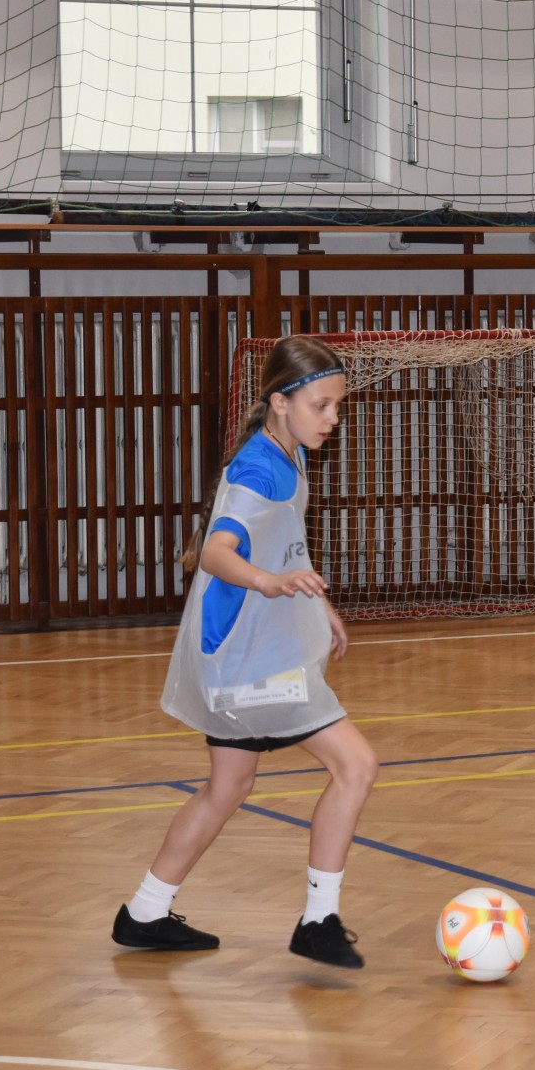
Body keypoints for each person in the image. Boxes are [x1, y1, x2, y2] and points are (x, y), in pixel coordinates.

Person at [115, 336, 379, 968]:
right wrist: (269, 583)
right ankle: (318, 921)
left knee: (227, 787)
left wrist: (317, 603)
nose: (332, 419)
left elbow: (284, 544)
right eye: (321, 406)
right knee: (356, 766)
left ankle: (145, 912)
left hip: (244, 659)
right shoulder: (259, 470)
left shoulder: (290, 450)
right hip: (249, 661)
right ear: (280, 402)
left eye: (337, 407)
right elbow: (215, 552)